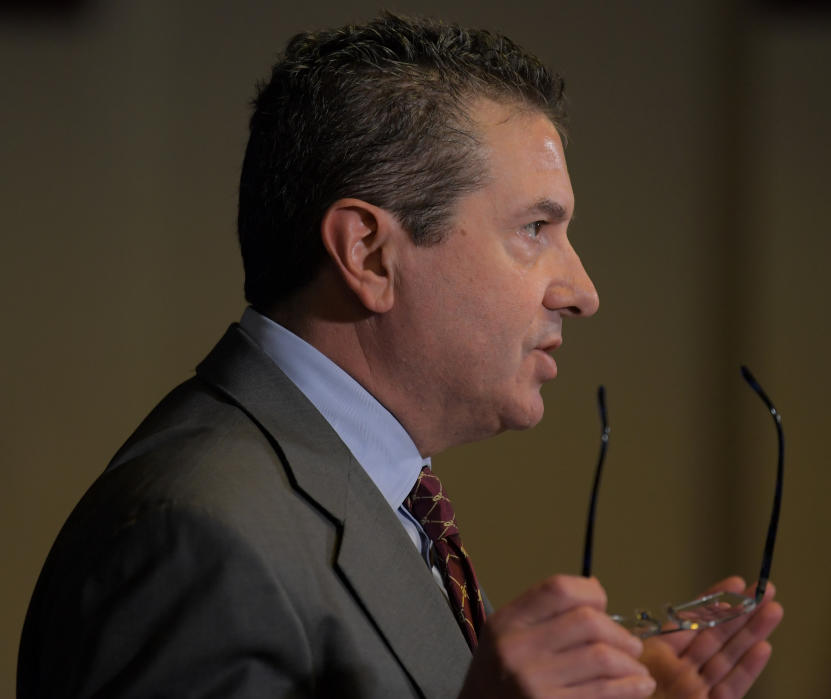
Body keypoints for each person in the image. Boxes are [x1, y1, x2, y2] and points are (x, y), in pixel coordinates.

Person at [18, 13, 782, 699]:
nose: (581, 290)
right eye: (535, 229)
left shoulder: (362, 490)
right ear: (369, 254)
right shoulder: (194, 535)